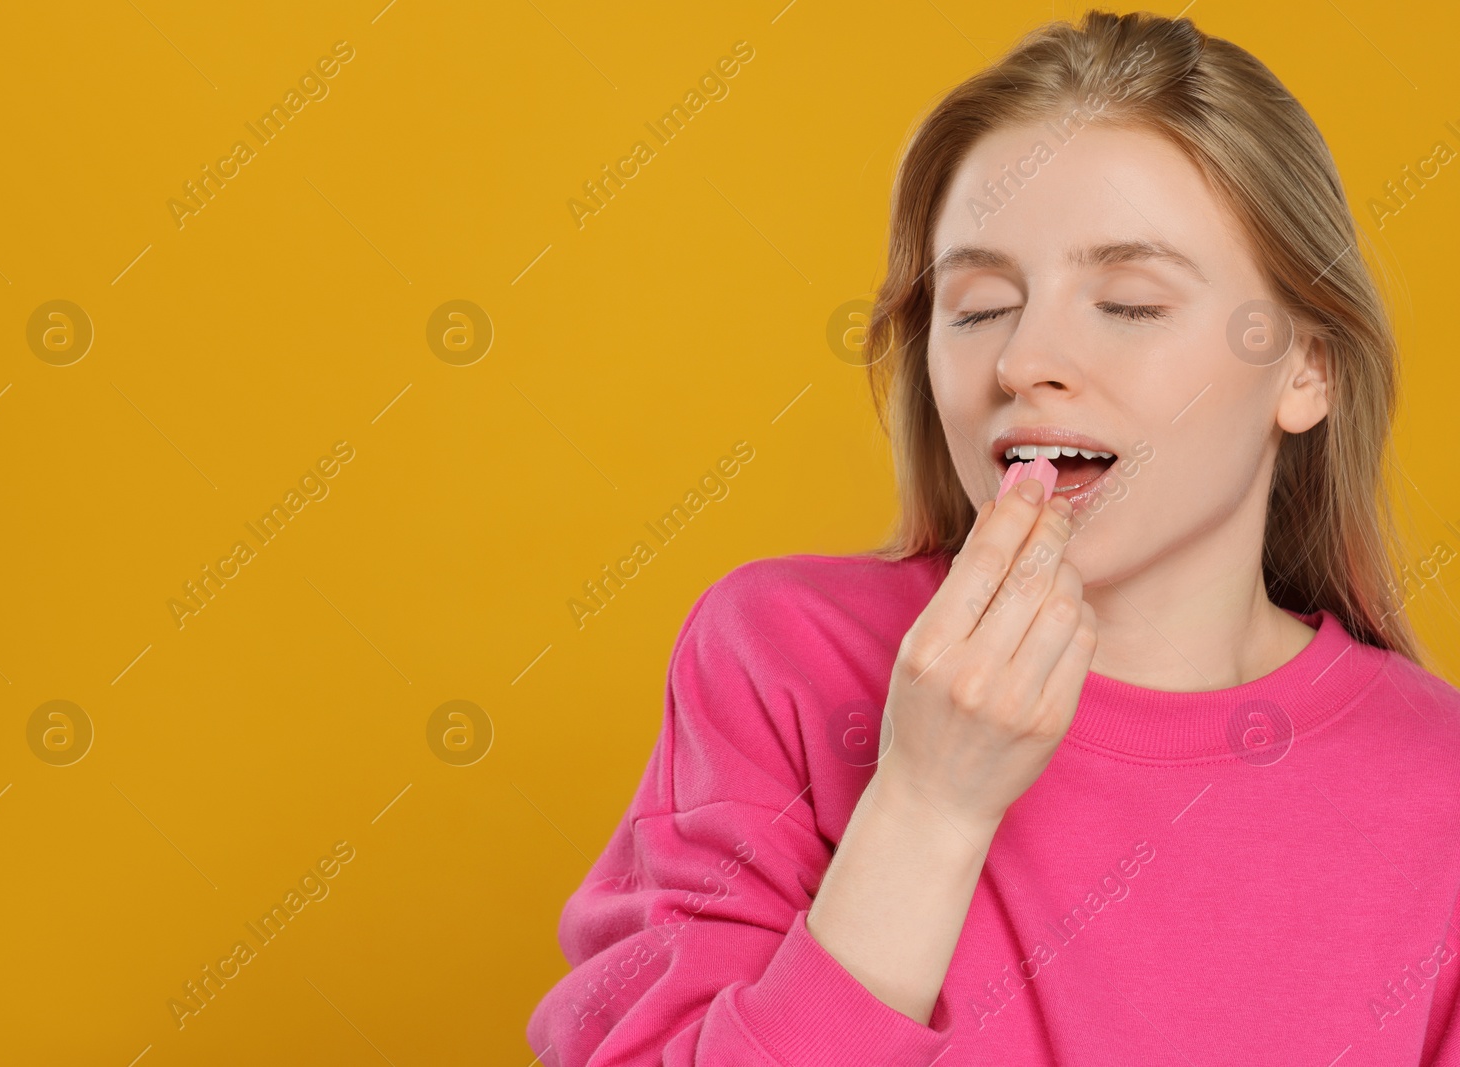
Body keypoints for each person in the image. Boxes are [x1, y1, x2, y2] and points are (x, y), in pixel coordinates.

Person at [526, 9, 1460, 1063]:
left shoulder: (1442, 793)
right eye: (975, 308)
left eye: (1128, 301)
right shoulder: (778, 658)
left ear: (1306, 369)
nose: (1024, 360)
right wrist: (926, 804)